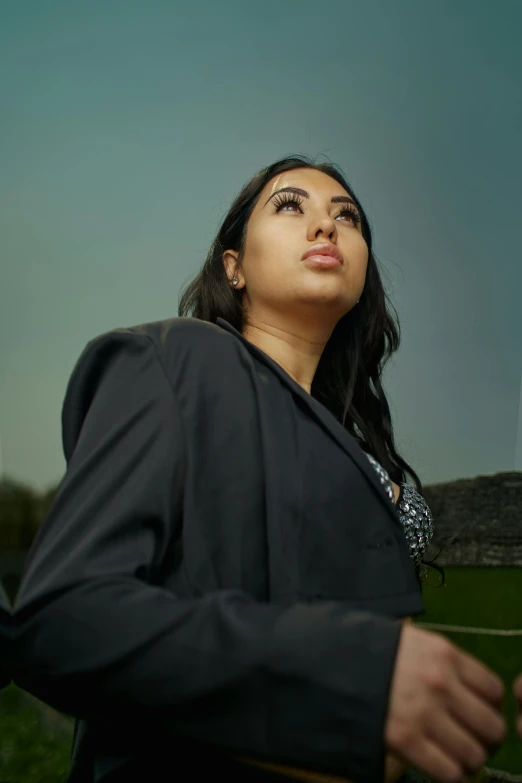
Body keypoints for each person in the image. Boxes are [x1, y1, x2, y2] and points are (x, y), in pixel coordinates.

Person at [12, 155, 510, 783]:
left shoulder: (353, 440)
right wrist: (340, 677)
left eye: (347, 217)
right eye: (289, 205)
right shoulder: (173, 361)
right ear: (234, 266)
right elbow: (63, 619)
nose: (326, 227)